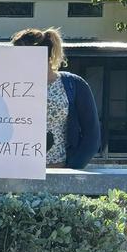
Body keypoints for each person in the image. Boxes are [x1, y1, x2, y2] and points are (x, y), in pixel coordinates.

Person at [10, 27, 101, 168]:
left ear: (47, 55)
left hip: (59, 170)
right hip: (15, 173)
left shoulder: (74, 84)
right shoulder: (7, 85)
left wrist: (71, 169)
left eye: (28, 55)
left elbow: (92, 136)